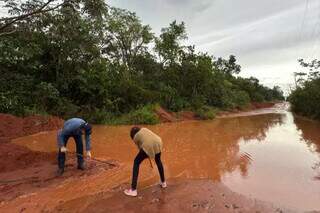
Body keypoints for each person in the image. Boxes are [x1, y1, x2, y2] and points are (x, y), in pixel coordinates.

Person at [124, 126, 166, 197]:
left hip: (149, 145)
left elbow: (140, 148)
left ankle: (133, 190)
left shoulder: (135, 137)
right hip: (158, 141)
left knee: (136, 162)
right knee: (158, 161)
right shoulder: (144, 129)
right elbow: (146, 142)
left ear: (133, 135)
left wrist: (146, 152)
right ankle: (163, 183)